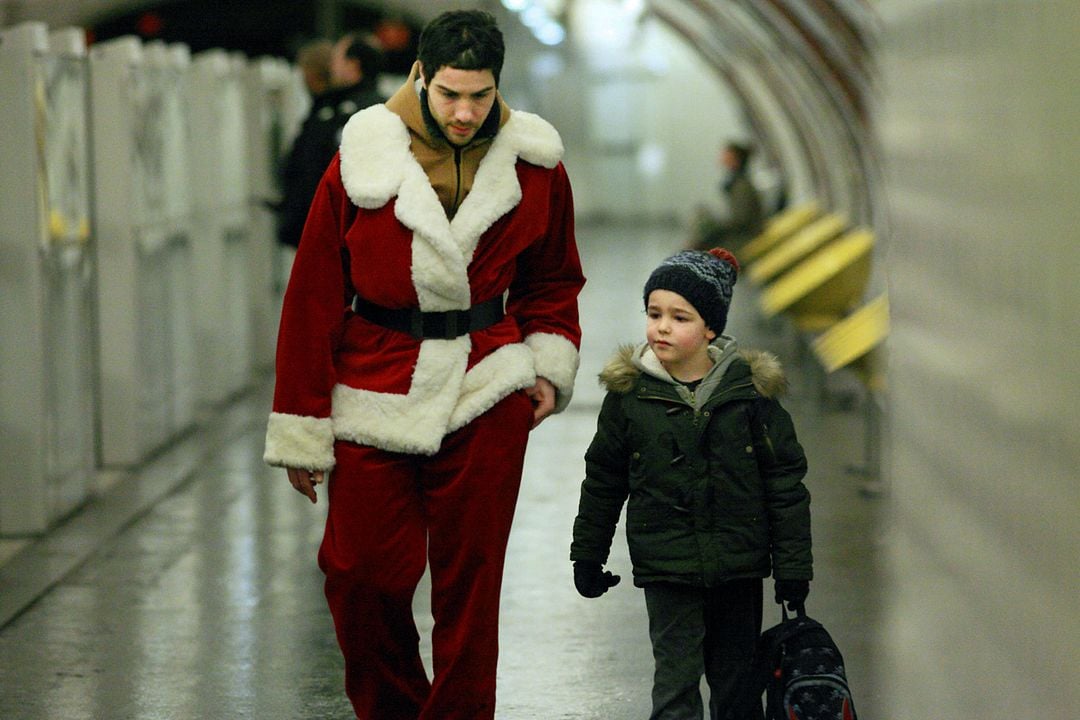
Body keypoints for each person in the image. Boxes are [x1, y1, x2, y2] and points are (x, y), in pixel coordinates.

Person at [263, 9, 585, 719]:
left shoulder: (534, 162)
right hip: (373, 376)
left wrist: (547, 363)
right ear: (421, 78)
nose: (467, 112)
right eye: (450, 95)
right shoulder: (364, 153)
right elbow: (315, 292)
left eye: (481, 95)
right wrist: (301, 425)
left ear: (498, 85)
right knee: (359, 576)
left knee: (471, 586)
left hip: (487, 380)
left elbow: (554, 277)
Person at [569, 247, 811, 720]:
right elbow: (603, 480)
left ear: (711, 329)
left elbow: (785, 484)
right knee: (675, 683)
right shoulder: (630, 398)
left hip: (738, 568)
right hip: (668, 567)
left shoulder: (749, 397)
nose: (661, 326)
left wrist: (793, 568)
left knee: (737, 686)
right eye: (654, 313)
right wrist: (587, 554)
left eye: (679, 317)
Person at [275, 34, 386, 249]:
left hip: (336, 234)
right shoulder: (340, 106)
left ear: (353, 65)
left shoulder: (346, 113)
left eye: (336, 60)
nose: (331, 67)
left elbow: (314, 168)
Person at [692, 142, 764, 251]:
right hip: (743, 233)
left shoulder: (741, 186)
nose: (722, 158)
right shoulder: (738, 182)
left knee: (701, 244)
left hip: (745, 237)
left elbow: (741, 220)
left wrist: (715, 228)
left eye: (726, 155)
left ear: (736, 160)